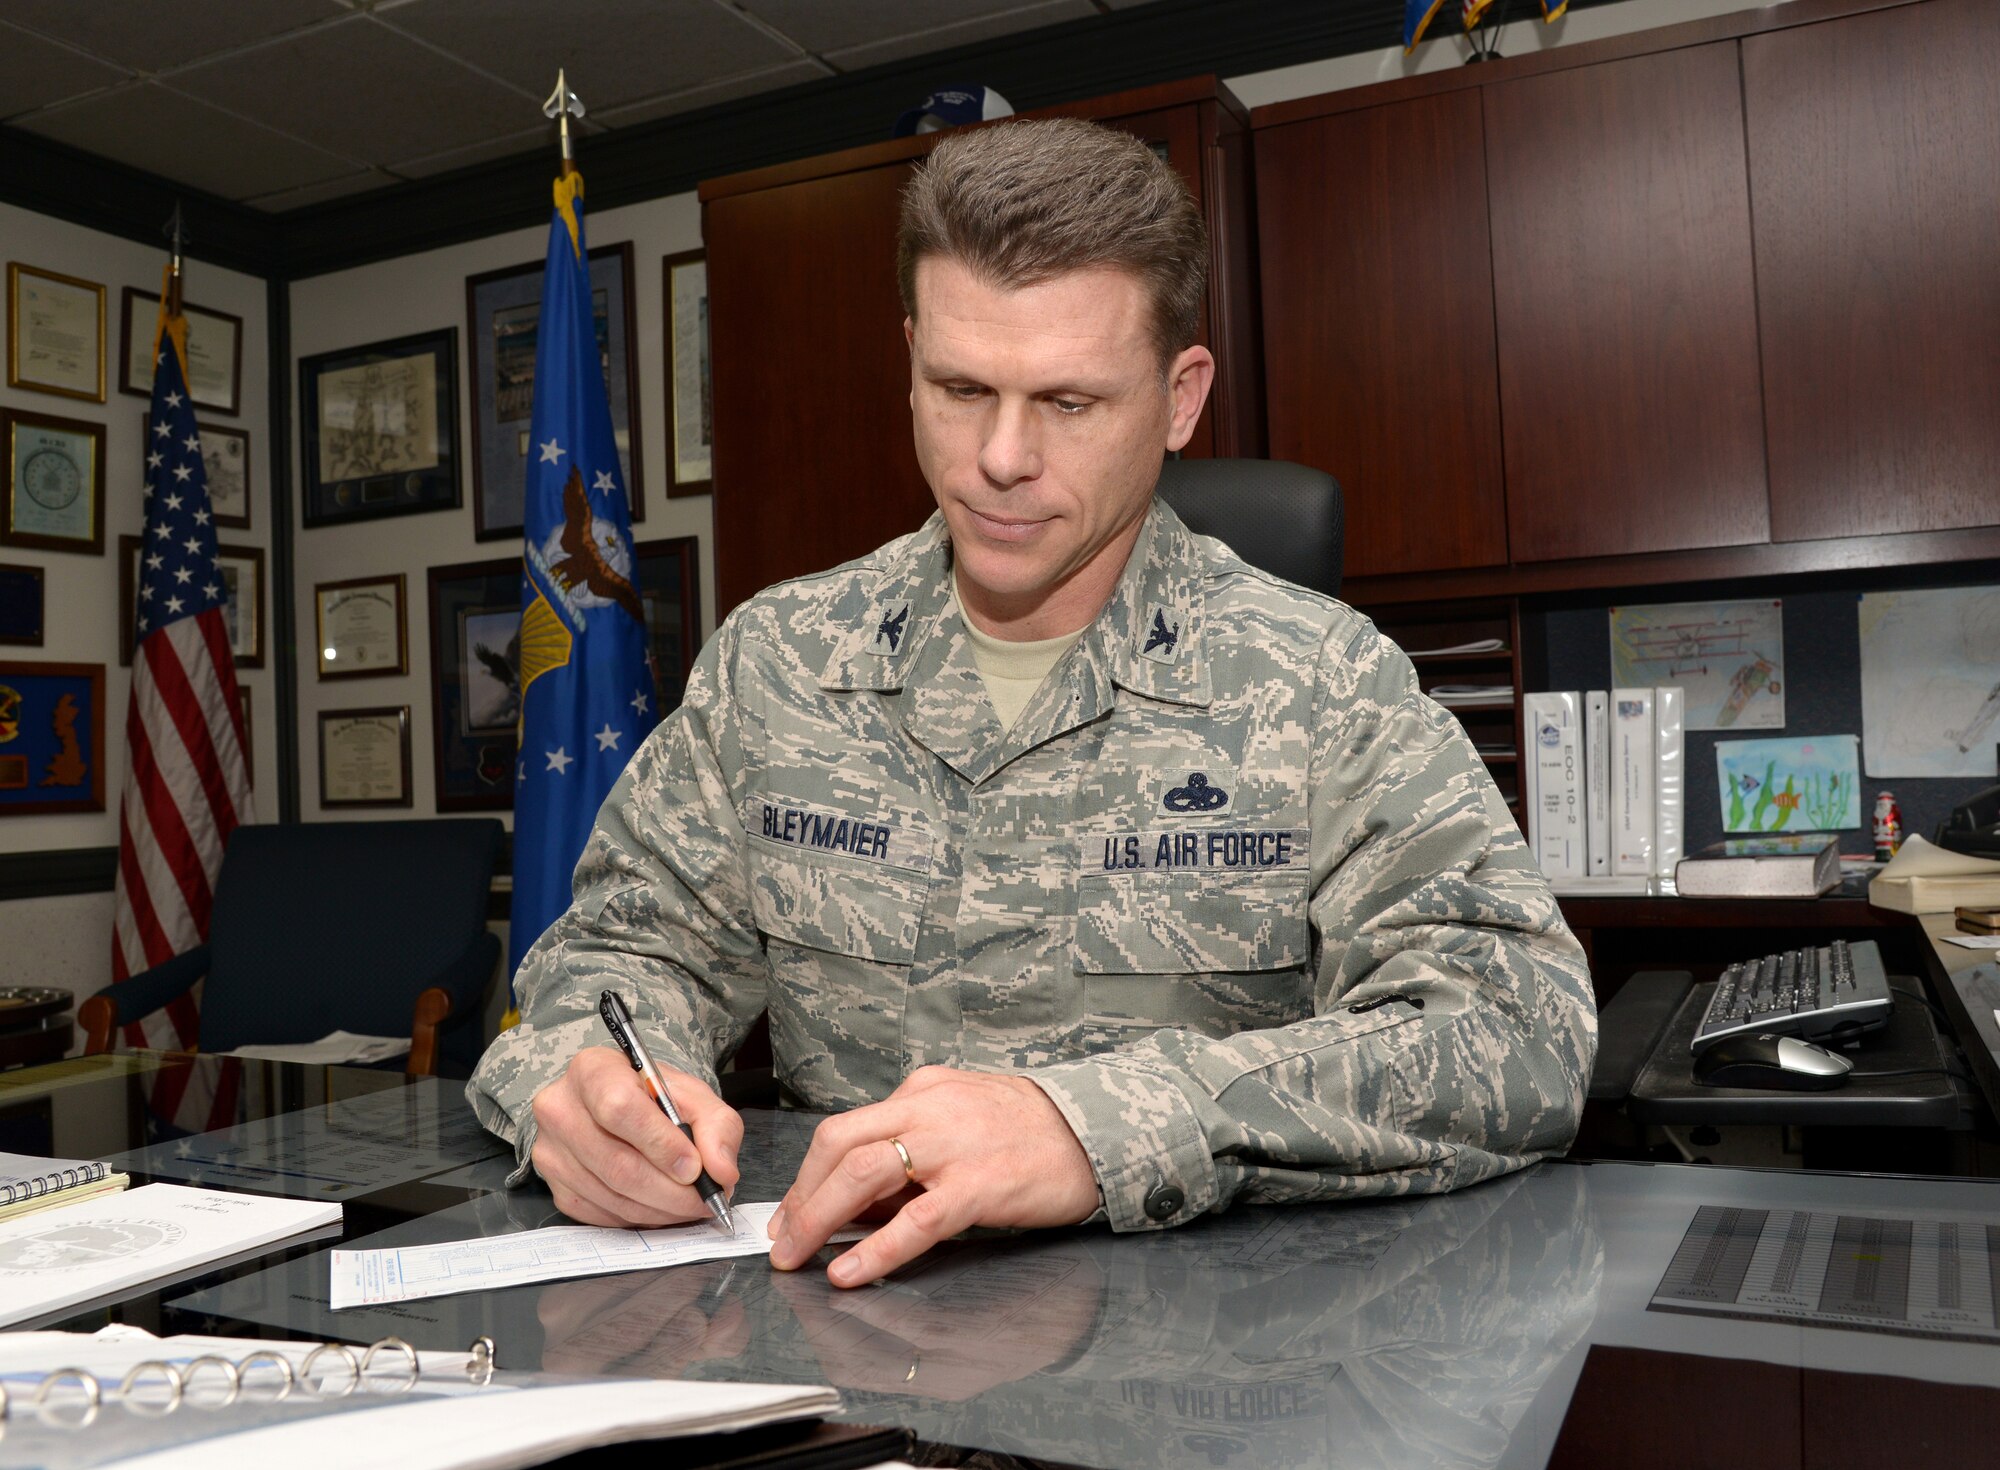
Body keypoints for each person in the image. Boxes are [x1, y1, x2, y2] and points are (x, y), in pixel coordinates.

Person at [469, 117, 1596, 1290]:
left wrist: (1090, 1125)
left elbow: (1516, 1032)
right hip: (837, 1337)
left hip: (1202, 1364)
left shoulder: (1319, 683)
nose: (998, 458)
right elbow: (613, 954)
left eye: (1067, 402)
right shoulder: (780, 664)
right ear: (908, 360)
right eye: (959, 387)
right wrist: (593, 1084)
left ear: (1177, 397)